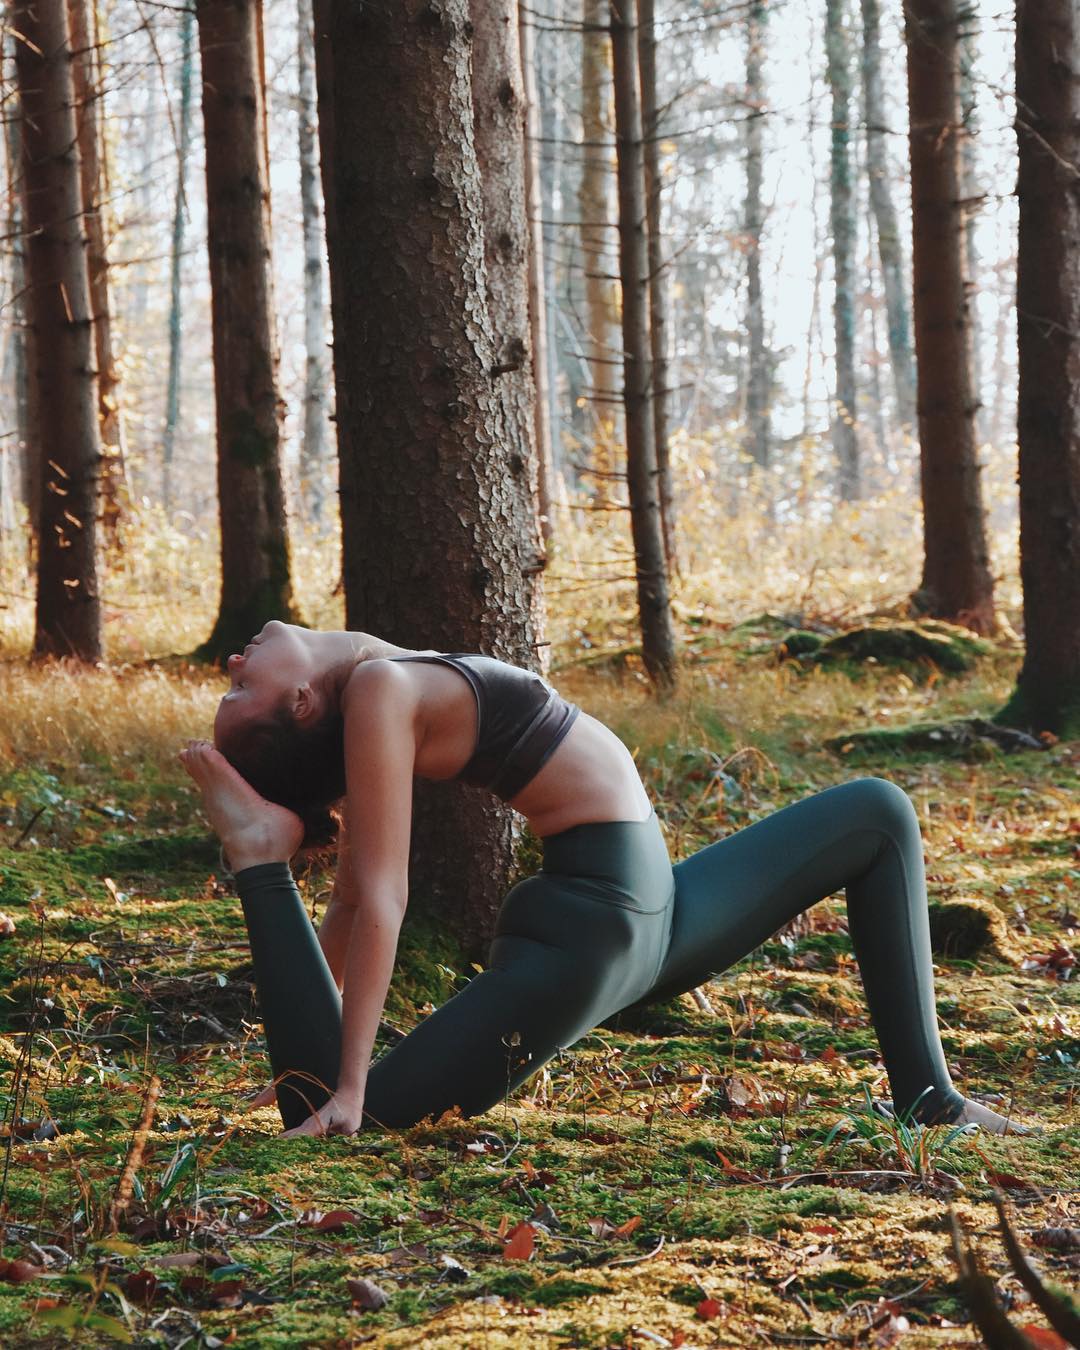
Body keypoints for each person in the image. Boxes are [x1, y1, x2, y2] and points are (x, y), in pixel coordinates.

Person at [180, 621, 1028, 1138]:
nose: (232, 659)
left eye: (232, 680)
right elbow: (374, 896)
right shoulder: (377, 687)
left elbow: (361, 894)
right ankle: (261, 853)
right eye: (242, 686)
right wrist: (345, 1080)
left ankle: (931, 1098)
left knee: (879, 814)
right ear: (299, 705)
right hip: (602, 921)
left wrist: (327, 1066)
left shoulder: (374, 670)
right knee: (348, 1121)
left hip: (648, 910)